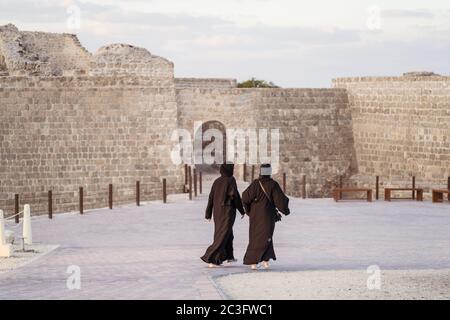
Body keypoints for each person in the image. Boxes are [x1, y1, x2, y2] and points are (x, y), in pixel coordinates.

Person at [242, 164, 290, 270]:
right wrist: (286, 210)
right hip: (267, 216)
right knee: (267, 237)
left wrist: (248, 210)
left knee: (255, 238)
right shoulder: (273, 185)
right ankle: (263, 260)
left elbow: (245, 197)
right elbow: (280, 200)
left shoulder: (255, 184)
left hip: (255, 216)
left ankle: (257, 261)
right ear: (269, 172)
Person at [201, 163, 245, 267]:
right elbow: (235, 196)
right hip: (227, 211)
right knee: (223, 234)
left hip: (217, 212)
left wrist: (208, 213)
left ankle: (229, 256)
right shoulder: (231, 180)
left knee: (227, 233)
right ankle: (210, 257)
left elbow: (211, 198)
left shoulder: (217, 181)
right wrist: (242, 210)